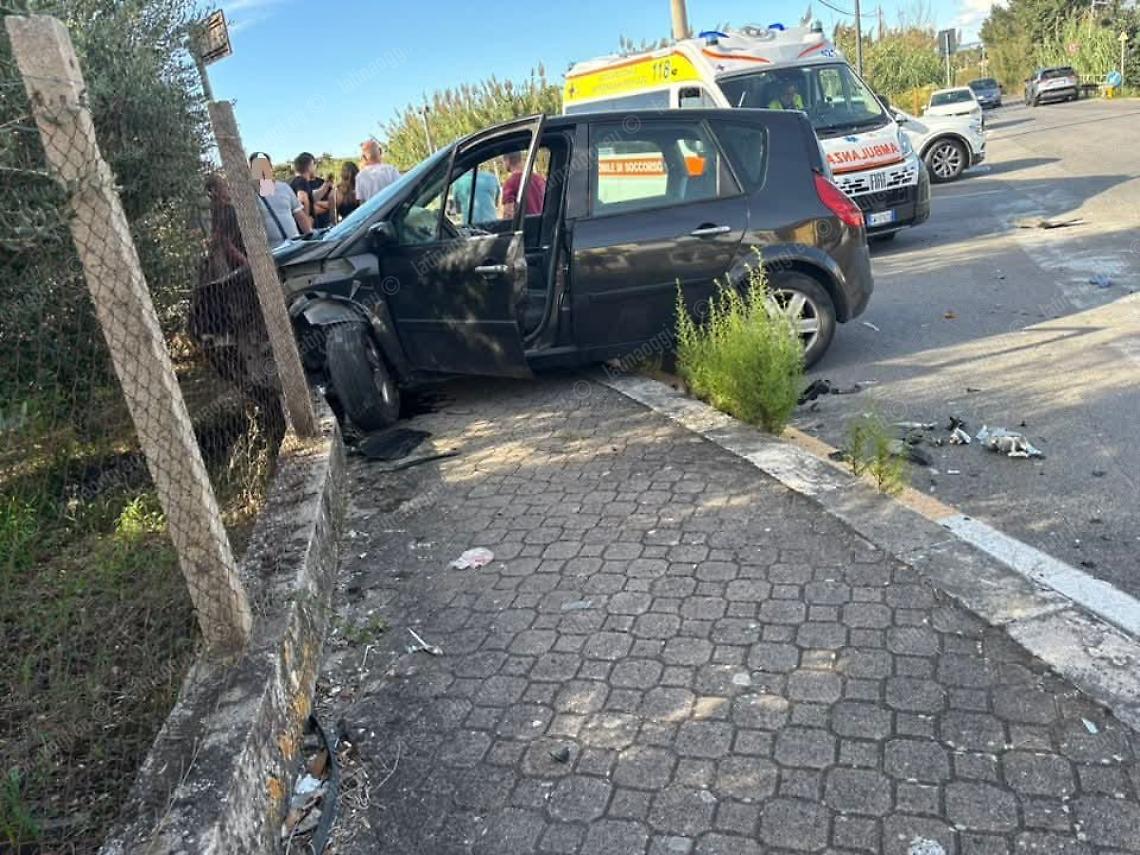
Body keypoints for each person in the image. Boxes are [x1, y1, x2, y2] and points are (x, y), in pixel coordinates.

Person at [248, 151, 311, 245]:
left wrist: (311, 237)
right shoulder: (249, 195)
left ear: (271, 167)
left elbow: (300, 216)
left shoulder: (284, 188)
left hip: (296, 246)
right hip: (273, 253)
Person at [289, 152, 332, 229]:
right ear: (310, 166)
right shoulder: (302, 181)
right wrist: (307, 219)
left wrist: (325, 186)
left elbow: (313, 197)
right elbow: (302, 199)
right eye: (314, 165)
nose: (315, 168)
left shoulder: (295, 182)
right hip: (306, 231)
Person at [501, 151, 546, 218]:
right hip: (542, 225)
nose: (503, 165)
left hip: (524, 227)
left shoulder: (510, 183)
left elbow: (509, 215)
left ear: (507, 160)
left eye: (503, 162)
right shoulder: (540, 179)